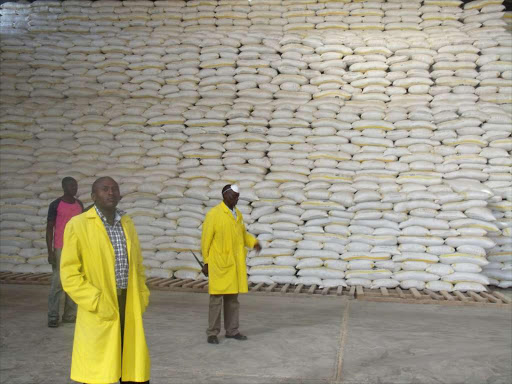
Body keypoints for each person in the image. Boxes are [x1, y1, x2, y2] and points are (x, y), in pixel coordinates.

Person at [61, 176, 150, 384]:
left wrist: (143, 294)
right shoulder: (79, 225)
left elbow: (137, 265)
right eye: (104, 189)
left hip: (129, 302)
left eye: (114, 189)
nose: (111, 193)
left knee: (133, 370)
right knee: (100, 374)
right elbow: (70, 274)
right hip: (100, 304)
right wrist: (96, 301)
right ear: (93, 196)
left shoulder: (127, 223)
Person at [201, 184, 262, 344]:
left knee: (232, 300)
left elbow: (243, 235)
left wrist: (253, 242)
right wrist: (206, 262)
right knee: (216, 299)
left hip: (234, 265)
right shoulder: (214, 214)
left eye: (237, 196)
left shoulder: (237, 215)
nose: (236, 199)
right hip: (219, 264)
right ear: (225, 195)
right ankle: (212, 333)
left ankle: (232, 330)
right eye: (233, 196)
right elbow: (205, 240)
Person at [46, 176, 83, 328]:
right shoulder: (55, 205)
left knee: (74, 281)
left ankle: (69, 315)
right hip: (61, 248)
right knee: (58, 283)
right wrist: (50, 251)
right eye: (71, 186)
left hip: (77, 248)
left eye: (75, 186)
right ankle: (53, 316)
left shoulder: (79, 204)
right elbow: (49, 228)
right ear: (64, 187)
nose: (74, 188)